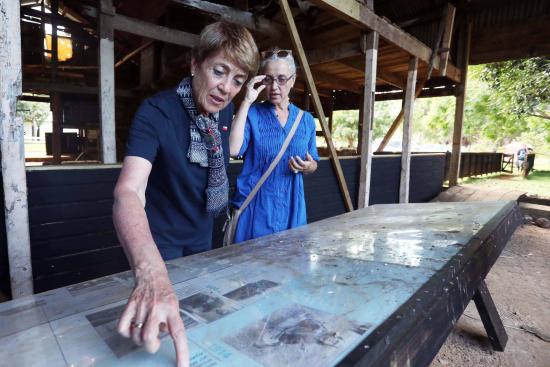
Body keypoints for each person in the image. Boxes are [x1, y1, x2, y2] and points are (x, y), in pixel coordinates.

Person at [112, 22, 258, 366]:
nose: (226, 88)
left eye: (237, 80)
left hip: (202, 241)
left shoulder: (223, 111)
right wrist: (150, 272)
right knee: (155, 341)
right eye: (219, 71)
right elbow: (128, 191)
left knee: (198, 330)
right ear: (195, 64)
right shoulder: (156, 112)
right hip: (160, 246)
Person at [229, 48, 319, 243]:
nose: (274, 87)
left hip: (292, 209)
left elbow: (313, 161)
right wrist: (245, 101)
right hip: (256, 209)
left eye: (281, 79)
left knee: (290, 268)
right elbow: (233, 149)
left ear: (293, 80)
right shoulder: (252, 113)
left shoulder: (306, 120)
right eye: (268, 79)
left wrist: (309, 167)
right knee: (252, 268)